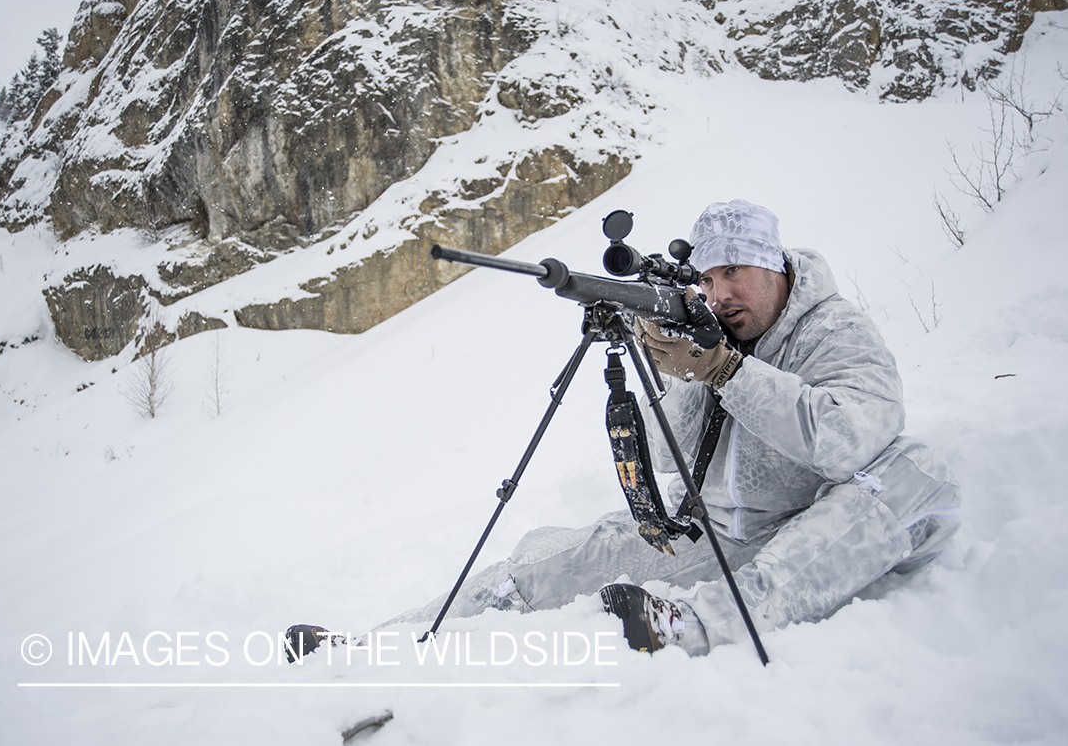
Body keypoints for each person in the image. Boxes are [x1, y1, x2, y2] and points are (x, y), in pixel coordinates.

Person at [287, 199, 961, 660]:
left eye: (735, 272)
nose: (720, 292)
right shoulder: (719, 333)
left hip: (829, 526)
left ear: (776, 266)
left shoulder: (833, 329)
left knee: (916, 468)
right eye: (708, 276)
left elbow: (850, 440)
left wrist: (727, 370)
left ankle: (701, 628)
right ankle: (390, 642)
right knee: (571, 553)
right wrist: (680, 370)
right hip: (735, 528)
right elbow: (673, 463)